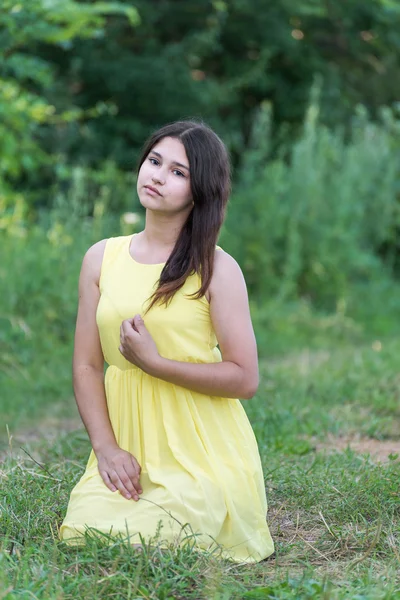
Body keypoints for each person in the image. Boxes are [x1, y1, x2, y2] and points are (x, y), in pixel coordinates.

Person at [59, 120, 274, 563]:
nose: (157, 176)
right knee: (87, 532)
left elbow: (245, 378)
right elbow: (86, 365)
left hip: (201, 450)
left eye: (179, 172)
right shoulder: (101, 257)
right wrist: (107, 450)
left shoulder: (217, 268)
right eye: (154, 161)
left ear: (200, 192)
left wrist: (156, 364)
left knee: (166, 537)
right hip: (130, 445)